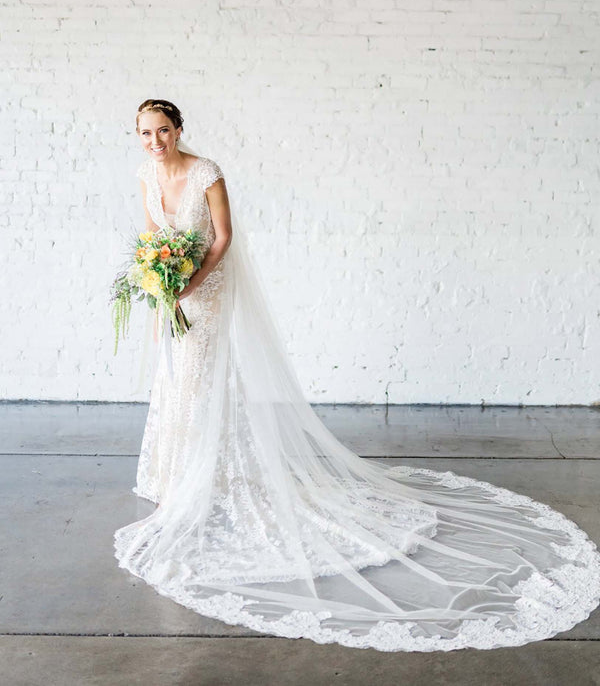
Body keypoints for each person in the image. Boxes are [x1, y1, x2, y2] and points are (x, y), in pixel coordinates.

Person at [114, 98, 600, 653]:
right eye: (145, 133)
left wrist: (189, 284)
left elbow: (222, 239)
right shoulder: (146, 173)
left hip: (205, 287)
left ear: (180, 129)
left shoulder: (207, 173)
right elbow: (153, 236)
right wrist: (158, 282)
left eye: (163, 130)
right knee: (173, 378)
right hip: (171, 289)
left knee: (200, 379)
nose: (155, 141)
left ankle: (194, 477)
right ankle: (173, 473)